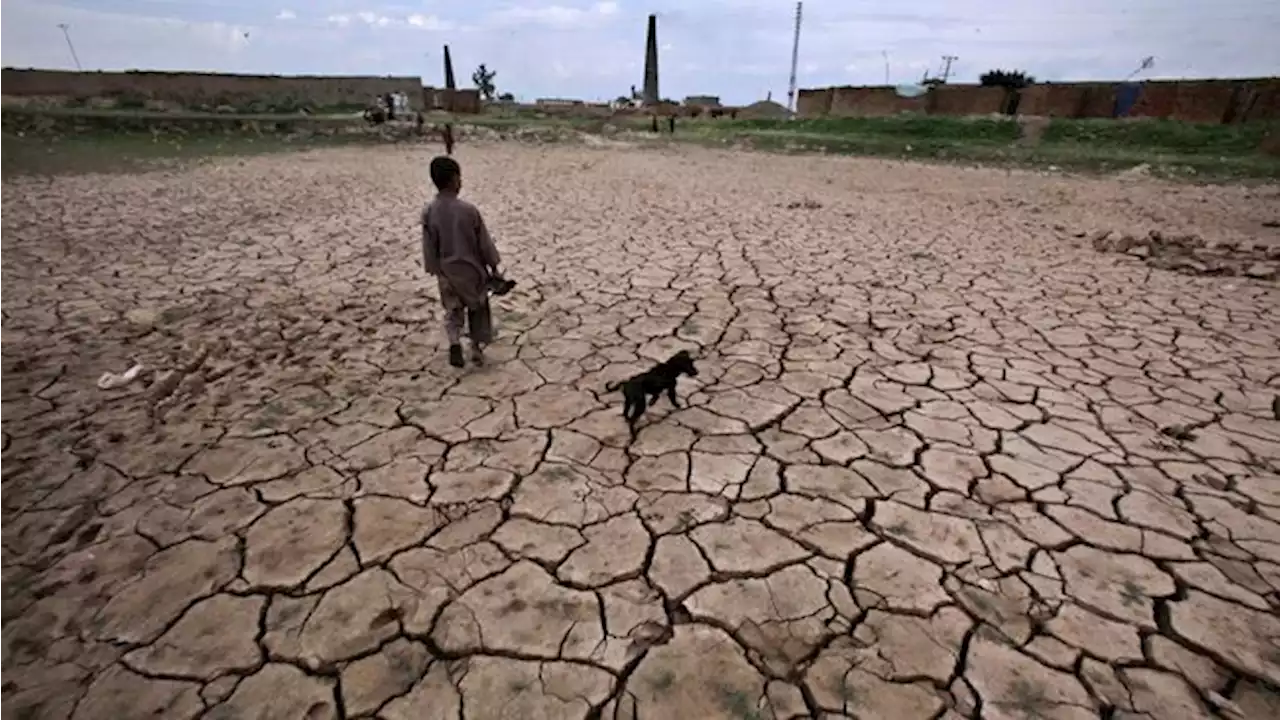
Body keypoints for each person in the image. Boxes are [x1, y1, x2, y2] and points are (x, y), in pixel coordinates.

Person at [421, 156, 501, 368]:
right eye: (460, 178)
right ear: (454, 179)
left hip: (447, 272)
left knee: (453, 311)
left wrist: (435, 269)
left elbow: (429, 246)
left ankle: (455, 342)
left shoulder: (429, 212)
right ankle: (476, 349)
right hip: (472, 272)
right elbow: (484, 243)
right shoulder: (468, 210)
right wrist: (494, 266)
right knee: (478, 309)